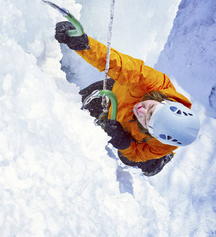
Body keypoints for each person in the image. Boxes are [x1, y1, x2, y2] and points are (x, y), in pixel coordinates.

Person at [55, 21, 200, 176]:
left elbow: (136, 154)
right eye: (152, 108)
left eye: (146, 120)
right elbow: (120, 65)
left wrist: (124, 143)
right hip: (115, 94)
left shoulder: (160, 146)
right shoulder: (154, 82)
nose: (142, 110)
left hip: (127, 132)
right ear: (163, 101)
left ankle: (158, 162)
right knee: (72, 106)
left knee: (128, 159)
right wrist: (84, 45)